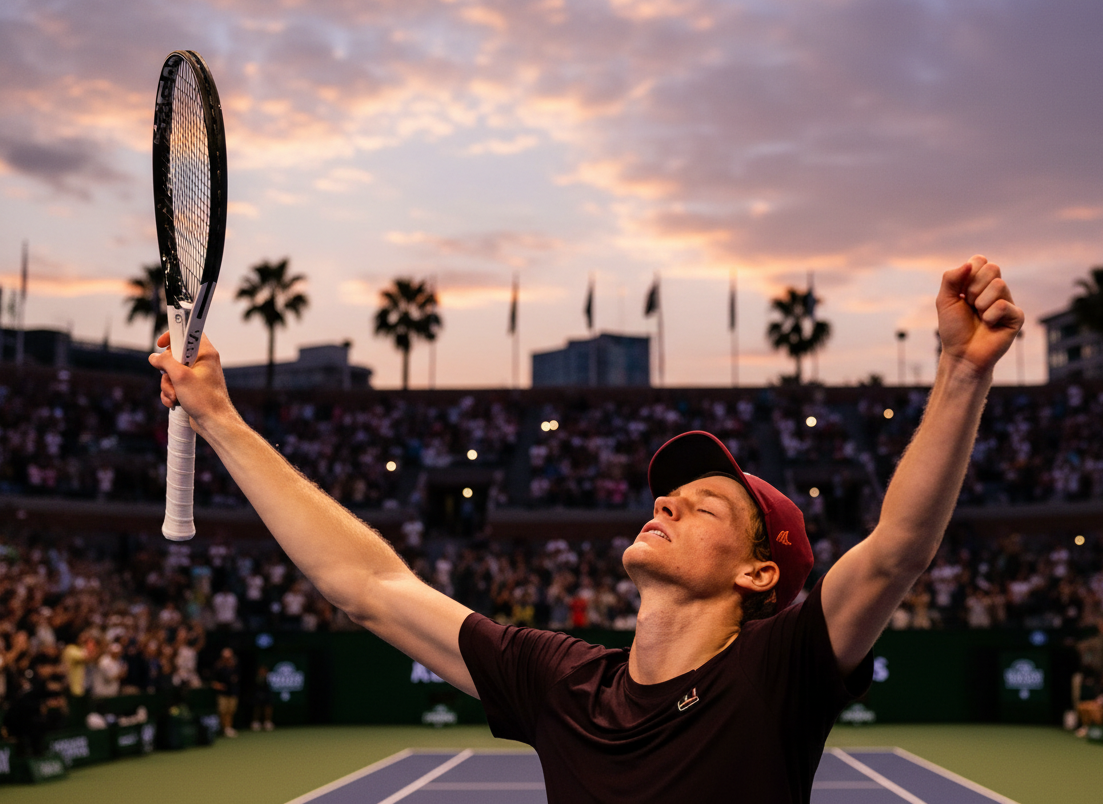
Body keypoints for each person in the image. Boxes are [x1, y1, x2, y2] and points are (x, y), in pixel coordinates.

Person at [150, 256, 1022, 802]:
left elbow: (898, 549)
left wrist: (958, 372)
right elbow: (371, 590)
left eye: (707, 504)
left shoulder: (778, 672)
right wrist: (222, 420)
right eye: (670, 496)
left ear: (759, 575)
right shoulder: (559, 682)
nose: (667, 503)